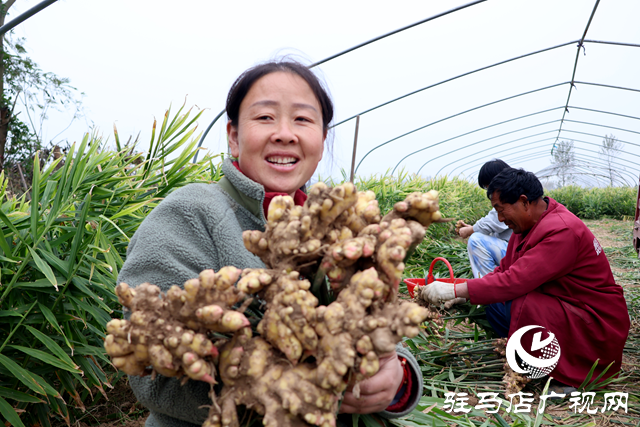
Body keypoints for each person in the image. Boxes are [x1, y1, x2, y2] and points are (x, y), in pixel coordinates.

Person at [118, 61, 423, 427]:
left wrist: (397, 375)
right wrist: (304, 389)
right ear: (233, 135)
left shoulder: (345, 227)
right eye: (264, 117)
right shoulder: (192, 211)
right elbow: (150, 371)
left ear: (323, 139)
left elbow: (379, 322)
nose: (284, 134)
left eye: (302, 120)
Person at [423, 168, 630, 390]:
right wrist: (465, 294)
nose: (500, 219)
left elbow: (514, 281)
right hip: (569, 306)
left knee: (523, 302)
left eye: (501, 210)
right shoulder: (526, 228)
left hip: (595, 323)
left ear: (524, 202)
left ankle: (572, 376)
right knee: (494, 302)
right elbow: (503, 270)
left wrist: (454, 290)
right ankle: (535, 358)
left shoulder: (561, 230)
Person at [457, 159, 512, 278]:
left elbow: (491, 222)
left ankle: (488, 286)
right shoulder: (512, 193)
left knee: (476, 240)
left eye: (488, 187)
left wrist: (470, 231)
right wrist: (473, 228)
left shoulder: (509, 198)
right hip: (516, 250)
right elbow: (492, 224)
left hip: (517, 253)